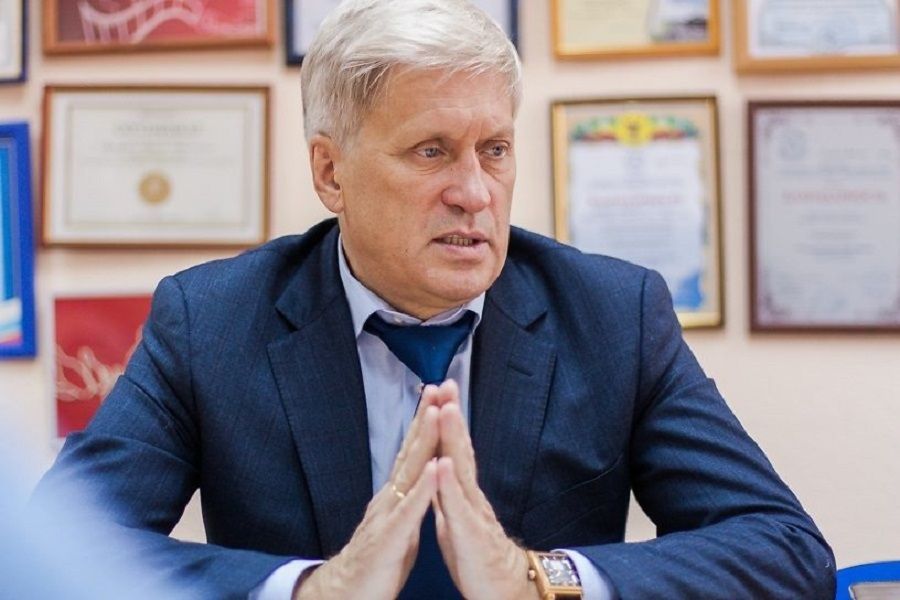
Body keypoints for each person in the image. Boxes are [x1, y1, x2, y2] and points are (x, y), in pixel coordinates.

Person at [35, 0, 836, 598]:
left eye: (495, 150)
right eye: (431, 151)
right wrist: (314, 590)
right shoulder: (211, 321)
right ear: (330, 173)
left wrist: (539, 580)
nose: (474, 192)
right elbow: (55, 552)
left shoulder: (613, 314)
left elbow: (785, 549)